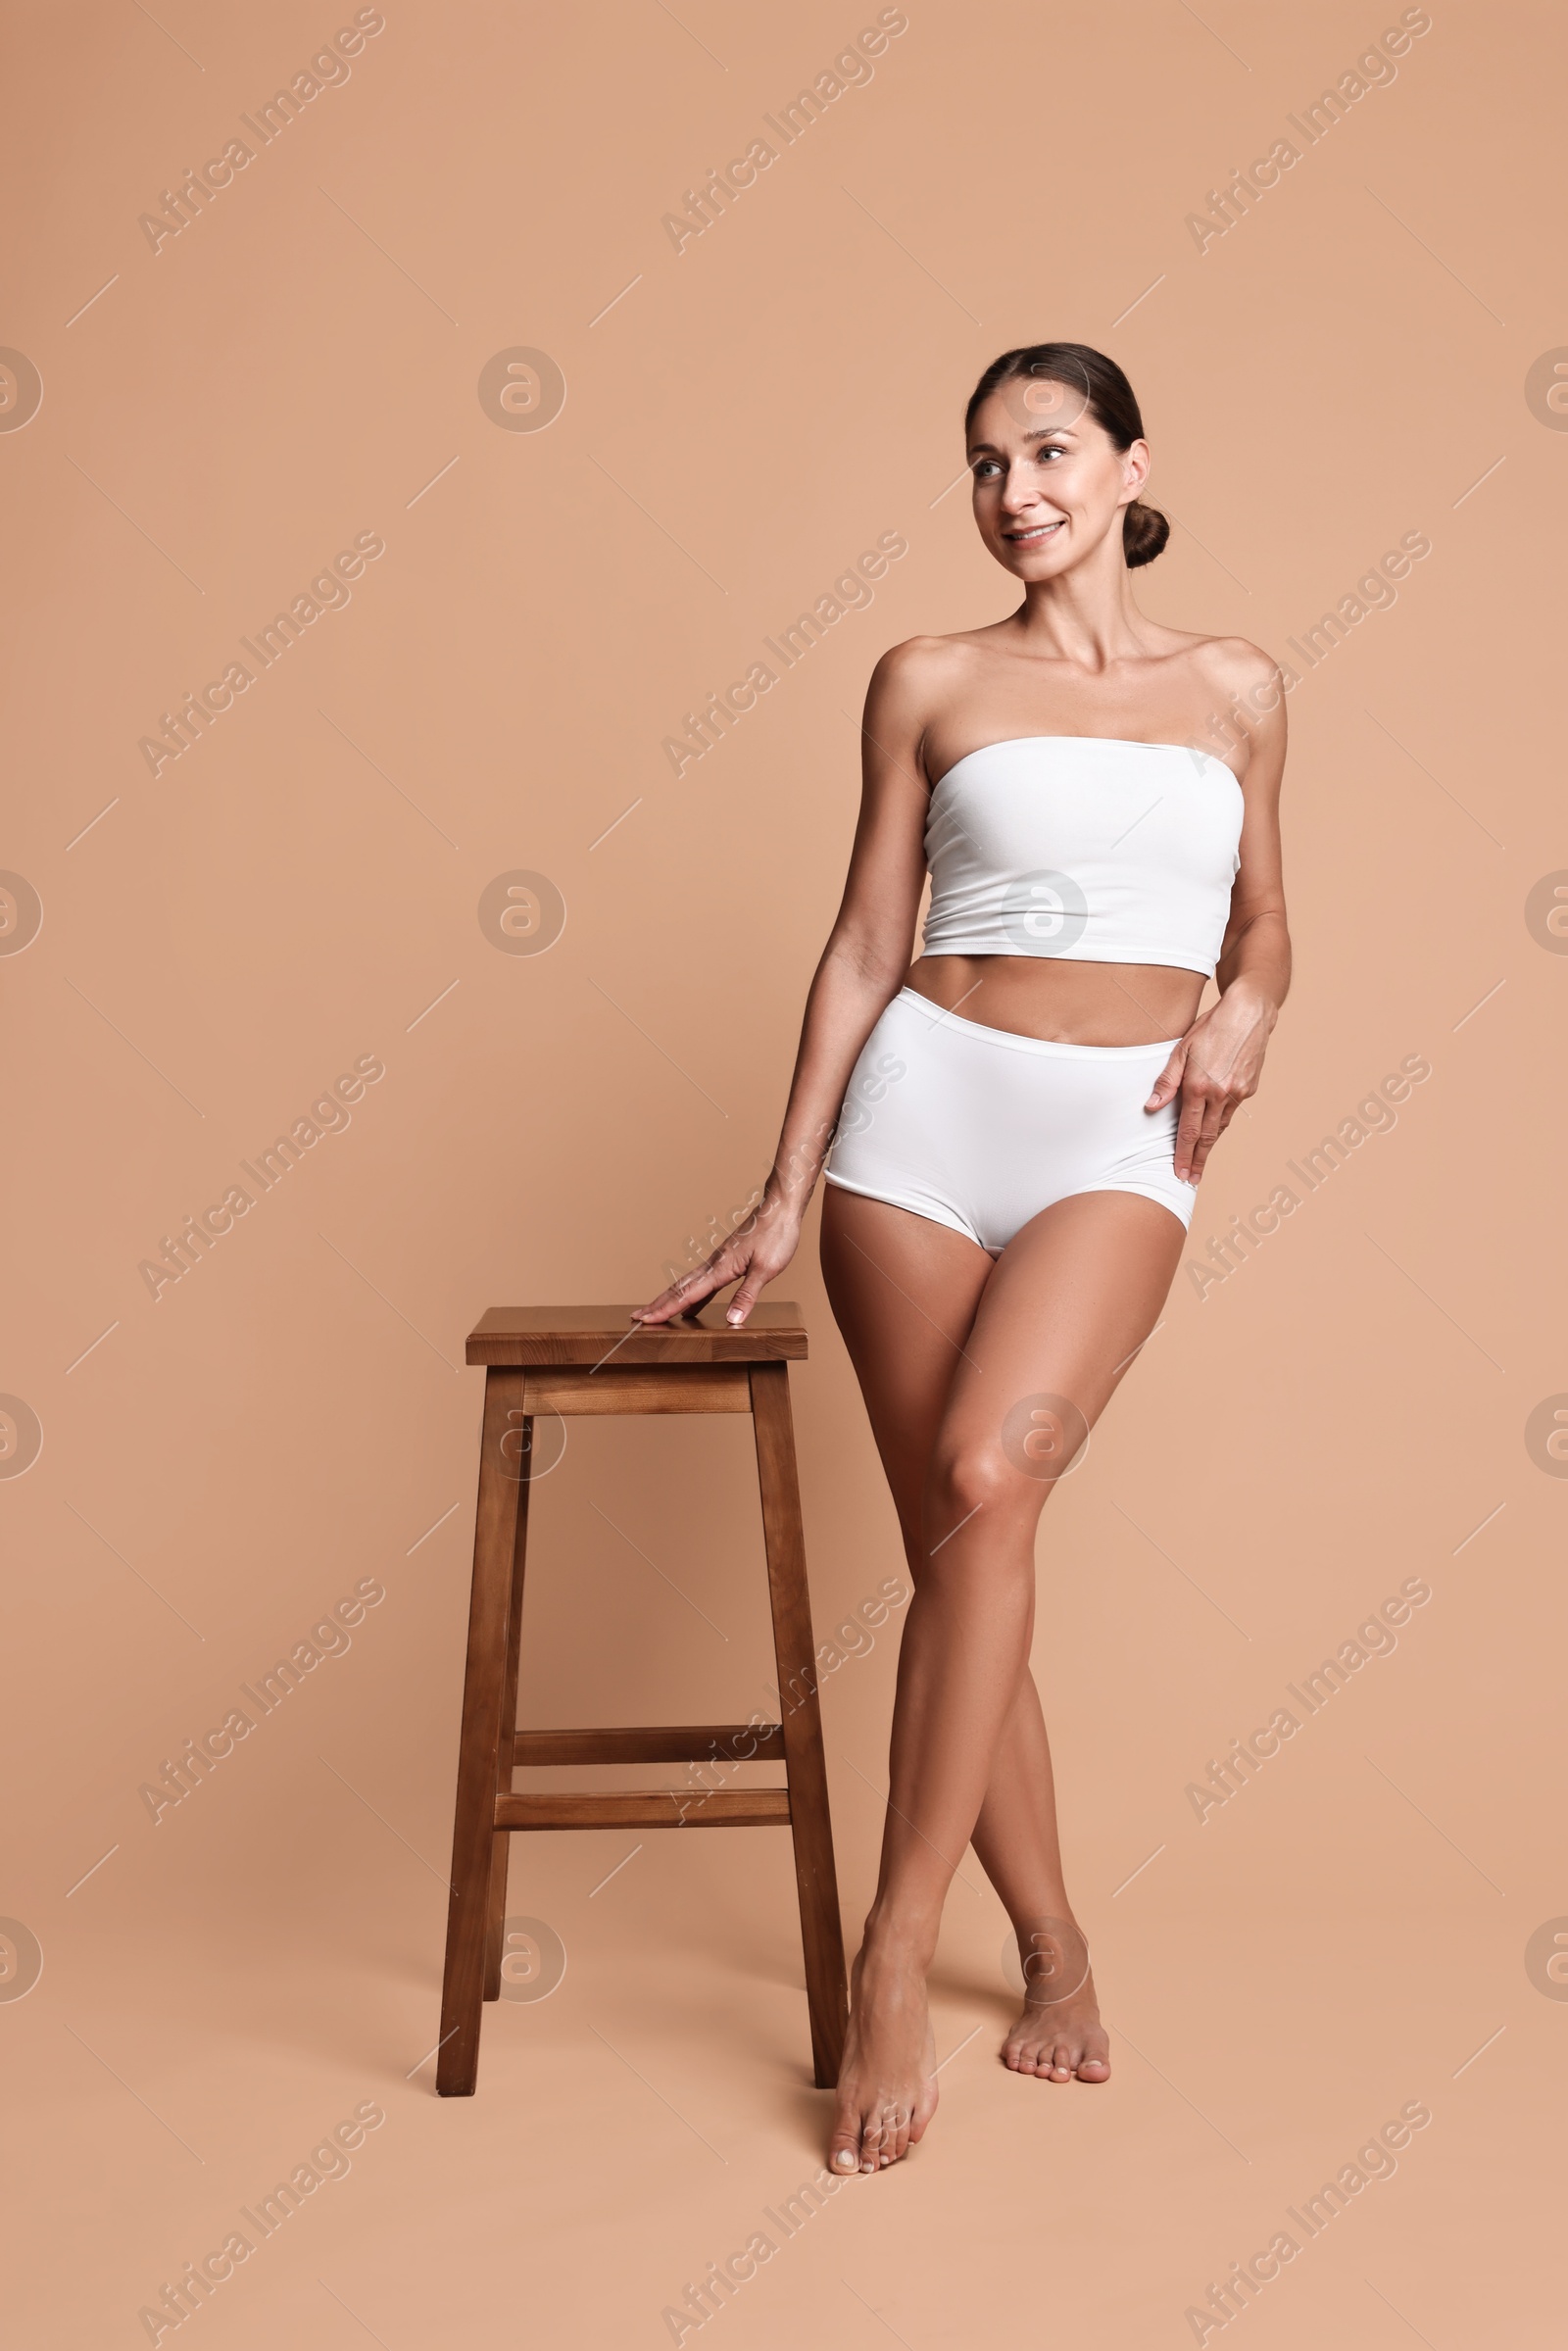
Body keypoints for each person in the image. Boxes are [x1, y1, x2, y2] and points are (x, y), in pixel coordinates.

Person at [635, 342, 1290, 2176]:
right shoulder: (924, 676)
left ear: (1131, 461)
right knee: (962, 1539)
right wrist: (783, 1187)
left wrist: (1253, 1002)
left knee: (997, 1469)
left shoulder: (1236, 686)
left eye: (1053, 451)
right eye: (988, 462)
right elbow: (861, 940)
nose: (1019, 490)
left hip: (1113, 1135)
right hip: (918, 1123)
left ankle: (895, 1947)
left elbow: (1270, 922)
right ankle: (1055, 1950)